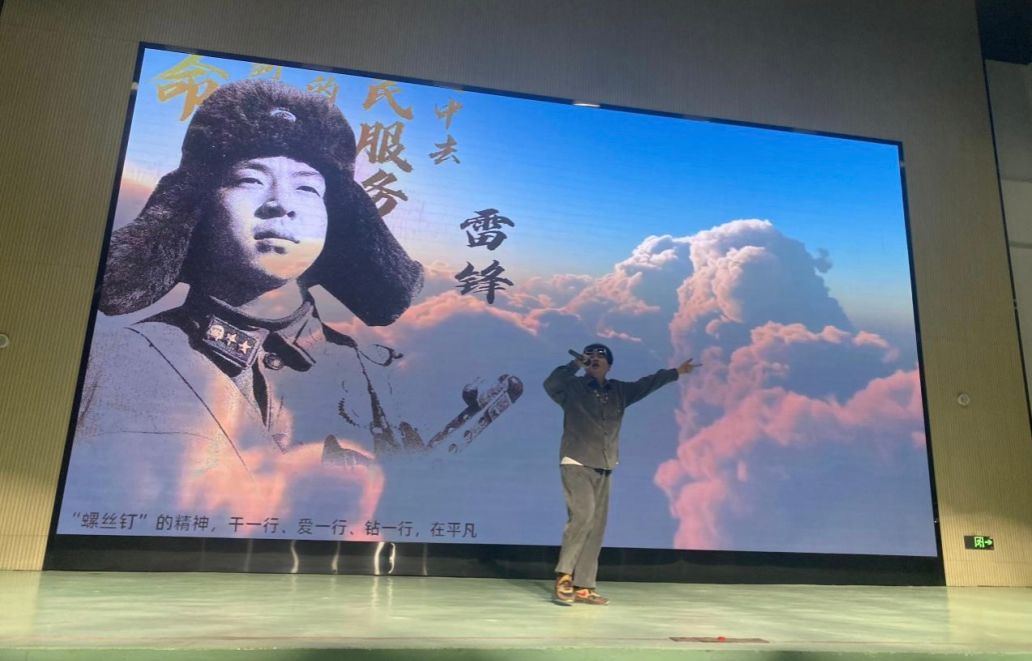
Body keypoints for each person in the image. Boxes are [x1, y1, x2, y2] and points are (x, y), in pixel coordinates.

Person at [61, 79, 427, 536]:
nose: (281, 205)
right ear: (199, 206)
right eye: (250, 180)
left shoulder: (374, 374)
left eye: (308, 189)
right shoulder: (118, 360)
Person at [543, 343, 697, 605]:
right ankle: (564, 576)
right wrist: (575, 365)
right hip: (576, 461)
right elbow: (551, 384)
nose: (594, 359)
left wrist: (677, 372)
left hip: (605, 464)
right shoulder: (572, 387)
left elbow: (647, 384)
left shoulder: (619, 391)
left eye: (600, 357)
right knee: (582, 516)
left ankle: (584, 585)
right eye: (590, 356)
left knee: (596, 525)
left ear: (609, 365)